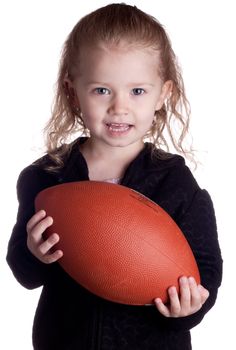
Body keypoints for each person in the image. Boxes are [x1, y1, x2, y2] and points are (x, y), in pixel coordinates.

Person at [6, 3, 222, 349]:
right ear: (72, 91)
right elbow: (23, 271)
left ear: (162, 94)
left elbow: (206, 266)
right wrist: (33, 253)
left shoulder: (175, 183)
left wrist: (191, 306)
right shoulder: (47, 178)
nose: (119, 106)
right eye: (101, 90)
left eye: (137, 91)